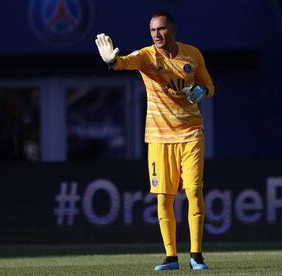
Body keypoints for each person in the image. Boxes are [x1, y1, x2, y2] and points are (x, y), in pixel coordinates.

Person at [95, 10, 214, 270]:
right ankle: (171, 258)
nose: (156, 35)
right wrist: (111, 61)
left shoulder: (192, 54)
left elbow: (210, 87)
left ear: (173, 30)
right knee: (164, 197)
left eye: (160, 29)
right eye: (152, 31)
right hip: (159, 137)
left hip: (191, 132)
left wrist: (201, 90)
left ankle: (196, 256)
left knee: (194, 191)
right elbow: (125, 62)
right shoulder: (147, 56)